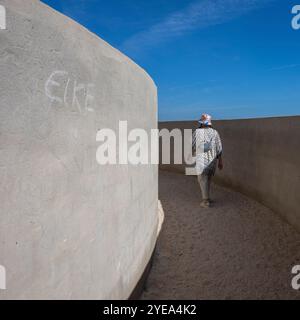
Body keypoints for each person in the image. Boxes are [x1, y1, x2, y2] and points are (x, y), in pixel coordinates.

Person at [192, 114, 223, 208]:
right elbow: (219, 148)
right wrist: (220, 161)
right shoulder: (215, 132)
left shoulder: (197, 132)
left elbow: (193, 145)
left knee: (202, 179)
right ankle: (207, 197)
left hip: (202, 160)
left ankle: (205, 201)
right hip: (213, 161)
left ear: (201, 123)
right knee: (208, 179)